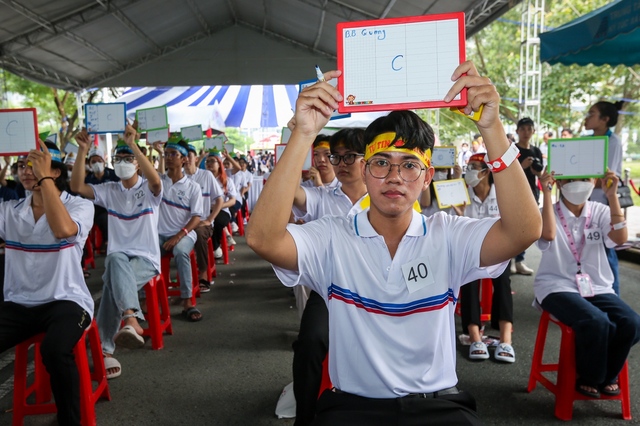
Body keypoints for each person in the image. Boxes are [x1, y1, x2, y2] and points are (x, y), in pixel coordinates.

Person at [246, 61, 541, 425]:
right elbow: (262, 238)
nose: (394, 177)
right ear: (365, 171)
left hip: (438, 407)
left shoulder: (447, 235)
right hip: (351, 409)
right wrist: (303, 134)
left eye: (409, 166)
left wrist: (493, 128)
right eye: (381, 163)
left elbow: (524, 230)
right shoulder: (332, 237)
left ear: (426, 176)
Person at [0, 139, 94, 426]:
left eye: (35, 165)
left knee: (54, 351)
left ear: (54, 172)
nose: (26, 171)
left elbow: (64, 229)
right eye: (22, 166)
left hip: (66, 301)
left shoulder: (79, 206)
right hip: (19, 303)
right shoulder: (9, 211)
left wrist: (43, 181)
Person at [535, 169, 640, 399]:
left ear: (595, 181)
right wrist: (545, 192)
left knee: (632, 322)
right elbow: (549, 235)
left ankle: (603, 374)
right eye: (570, 179)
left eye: (584, 178)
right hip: (556, 286)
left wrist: (612, 196)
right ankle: (592, 377)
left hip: (597, 286)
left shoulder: (601, 211)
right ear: (559, 183)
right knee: (597, 321)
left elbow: (619, 240)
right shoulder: (547, 212)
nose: (578, 184)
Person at [290, 128, 368, 426]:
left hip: (380, 291)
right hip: (331, 290)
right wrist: (299, 135)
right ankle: (305, 417)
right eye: (337, 156)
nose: (341, 162)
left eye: (350, 156)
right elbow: (289, 192)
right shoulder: (320, 197)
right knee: (310, 341)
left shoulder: (385, 196)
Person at [71, 127, 162, 379]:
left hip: (146, 259)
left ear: (138, 163)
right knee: (114, 260)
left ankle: (104, 348)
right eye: (118, 159)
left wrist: (133, 146)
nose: (123, 163)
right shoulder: (110, 190)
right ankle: (130, 320)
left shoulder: (150, 189)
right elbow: (77, 185)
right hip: (117, 258)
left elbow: (155, 181)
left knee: (112, 281)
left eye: (128, 158)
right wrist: (82, 150)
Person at [454, 154, 514, 363]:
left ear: (486, 172)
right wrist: (460, 214)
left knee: (504, 281)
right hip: (471, 251)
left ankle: (506, 337)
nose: (469, 171)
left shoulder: (502, 195)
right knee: (468, 279)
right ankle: (474, 335)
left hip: (498, 250)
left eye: (474, 167)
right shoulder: (461, 194)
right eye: (468, 166)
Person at [158, 140, 203, 321]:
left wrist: (178, 236)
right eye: (166, 154)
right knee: (145, 251)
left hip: (184, 233)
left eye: (173, 154)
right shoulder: (158, 182)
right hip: (160, 234)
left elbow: (196, 218)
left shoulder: (193, 187)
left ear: (184, 159)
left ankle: (187, 302)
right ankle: (145, 299)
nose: (168, 158)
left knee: (180, 251)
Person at [585, 101, 625, 295]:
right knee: (589, 248)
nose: (587, 117)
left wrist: (583, 177)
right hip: (586, 203)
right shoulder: (585, 140)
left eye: (592, 114)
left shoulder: (613, 141)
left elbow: (609, 176)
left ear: (605, 119)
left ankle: (612, 294)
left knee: (607, 250)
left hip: (602, 203)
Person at [184, 144, 224, 293]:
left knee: (200, 234)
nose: (187, 159)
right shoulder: (180, 177)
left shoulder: (205, 175)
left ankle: (203, 273)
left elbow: (219, 199)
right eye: (184, 156)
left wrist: (209, 219)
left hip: (202, 223)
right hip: (183, 224)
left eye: (190, 156)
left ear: (196, 158)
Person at [512, 117, 543, 275]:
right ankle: (509, 259)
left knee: (527, 229)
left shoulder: (536, 151)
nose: (526, 132)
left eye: (529, 129)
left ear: (533, 131)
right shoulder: (512, 150)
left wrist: (536, 172)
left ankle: (519, 260)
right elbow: (508, 172)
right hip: (515, 193)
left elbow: (540, 172)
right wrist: (522, 167)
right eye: (522, 129)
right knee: (513, 226)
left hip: (532, 193)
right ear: (517, 131)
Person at [84, 147, 120, 250]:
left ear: (104, 162)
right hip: (95, 209)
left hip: (113, 205)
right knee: (104, 217)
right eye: (93, 161)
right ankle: (107, 241)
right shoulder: (87, 179)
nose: (97, 163)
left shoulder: (113, 174)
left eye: (99, 161)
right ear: (89, 164)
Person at [204, 151, 238, 258]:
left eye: (212, 161)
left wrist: (219, 206)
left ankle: (215, 246)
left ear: (219, 164)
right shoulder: (202, 179)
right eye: (207, 161)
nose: (209, 163)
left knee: (217, 221)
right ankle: (204, 249)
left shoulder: (226, 181)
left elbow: (233, 201)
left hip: (222, 210)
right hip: (205, 210)